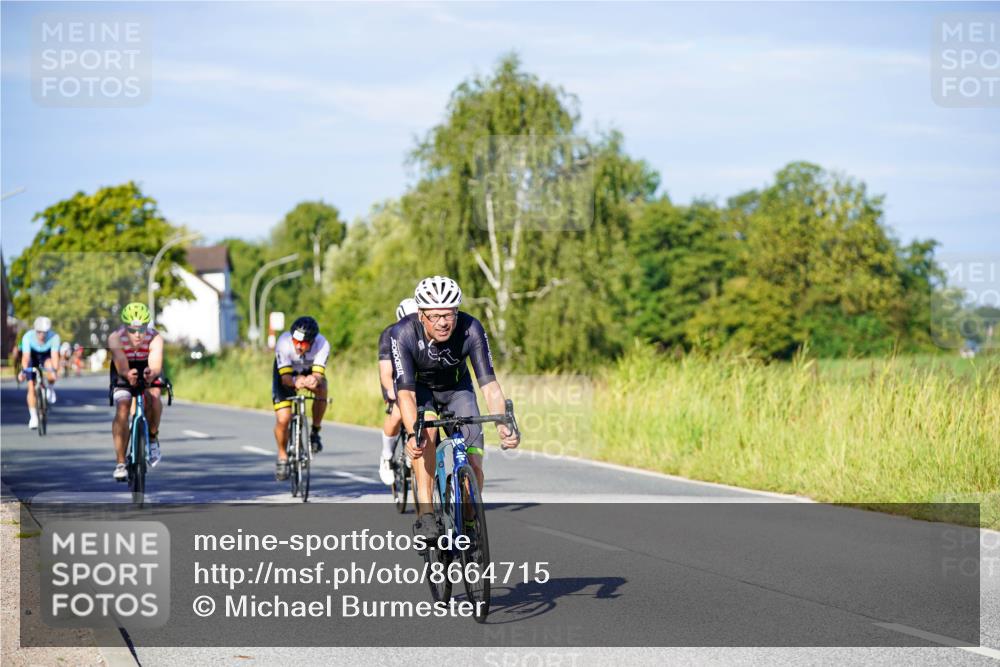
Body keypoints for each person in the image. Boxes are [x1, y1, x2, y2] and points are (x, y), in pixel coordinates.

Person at [391, 276, 520, 543]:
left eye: (450, 314)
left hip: (458, 390)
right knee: (424, 435)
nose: (443, 322)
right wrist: (412, 432)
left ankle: (470, 519)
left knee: (474, 461)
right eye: (436, 316)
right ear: (421, 314)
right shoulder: (402, 333)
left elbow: (490, 385)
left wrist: (503, 425)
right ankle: (426, 515)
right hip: (421, 392)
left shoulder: (471, 328)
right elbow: (404, 393)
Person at [108, 302, 165, 481]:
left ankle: (153, 437)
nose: (138, 334)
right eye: (132, 330)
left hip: (147, 366)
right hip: (123, 369)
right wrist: (126, 373)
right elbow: (121, 363)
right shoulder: (115, 338)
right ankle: (120, 463)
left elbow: (155, 364)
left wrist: (151, 373)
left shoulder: (155, 337)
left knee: (154, 397)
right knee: (123, 408)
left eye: (142, 329)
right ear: (125, 328)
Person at [272, 316, 330, 481]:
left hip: (308, 371)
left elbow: (318, 374)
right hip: (287, 374)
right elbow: (285, 379)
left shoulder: (322, 344)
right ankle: (282, 455)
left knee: (322, 389)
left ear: (312, 341)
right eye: (295, 341)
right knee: (283, 419)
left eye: (303, 343)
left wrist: (314, 380)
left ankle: (315, 431)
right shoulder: (283, 342)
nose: (298, 346)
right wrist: (297, 382)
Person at [377, 297, 418, 484]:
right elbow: (386, 372)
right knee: (398, 413)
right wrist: (392, 392)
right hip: (394, 378)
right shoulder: (389, 334)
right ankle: (386, 456)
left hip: (416, 377)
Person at [17, 317, 61, 428]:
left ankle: (50, 388)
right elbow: (26, 357)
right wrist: (23, 371)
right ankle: (33, 417)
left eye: (45, 332)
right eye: (39, 332)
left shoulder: (54, 337)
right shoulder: (28, 337)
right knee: (31, 387)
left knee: (51, 368)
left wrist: (54, 371)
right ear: (35, 330)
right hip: (32, 356)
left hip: (46, 356)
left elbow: (54, 356)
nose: (42, 335)